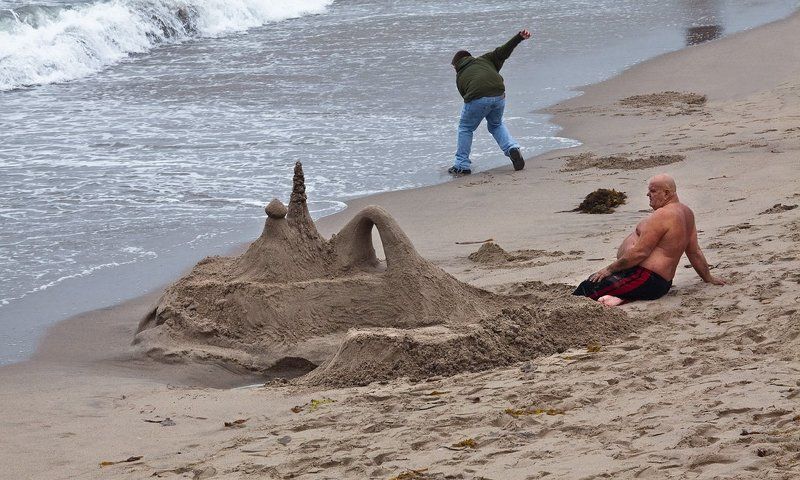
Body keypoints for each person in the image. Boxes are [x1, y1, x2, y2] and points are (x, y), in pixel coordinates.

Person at [573, 174, 725, 306]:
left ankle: (617, 295)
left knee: (587, 288)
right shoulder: (686, 212)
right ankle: (620, 298)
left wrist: (608, 269)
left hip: (646, 279)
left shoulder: (663, 215)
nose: (648, 195)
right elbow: (694, 251)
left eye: (653, 191)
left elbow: (640, 253)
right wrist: (708, 277)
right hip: (662, 284)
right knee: (604, 285)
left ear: (666, 193)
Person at [449, 30, 531, 175]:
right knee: (496, 124)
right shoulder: (485, 59)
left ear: (456, 65)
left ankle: (462, 165)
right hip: (499, 94)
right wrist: (519, 37)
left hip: (478, 96)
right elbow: (503, 51)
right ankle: (512, 148)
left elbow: (467, 98)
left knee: (466, 128)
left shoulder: (460, 75)